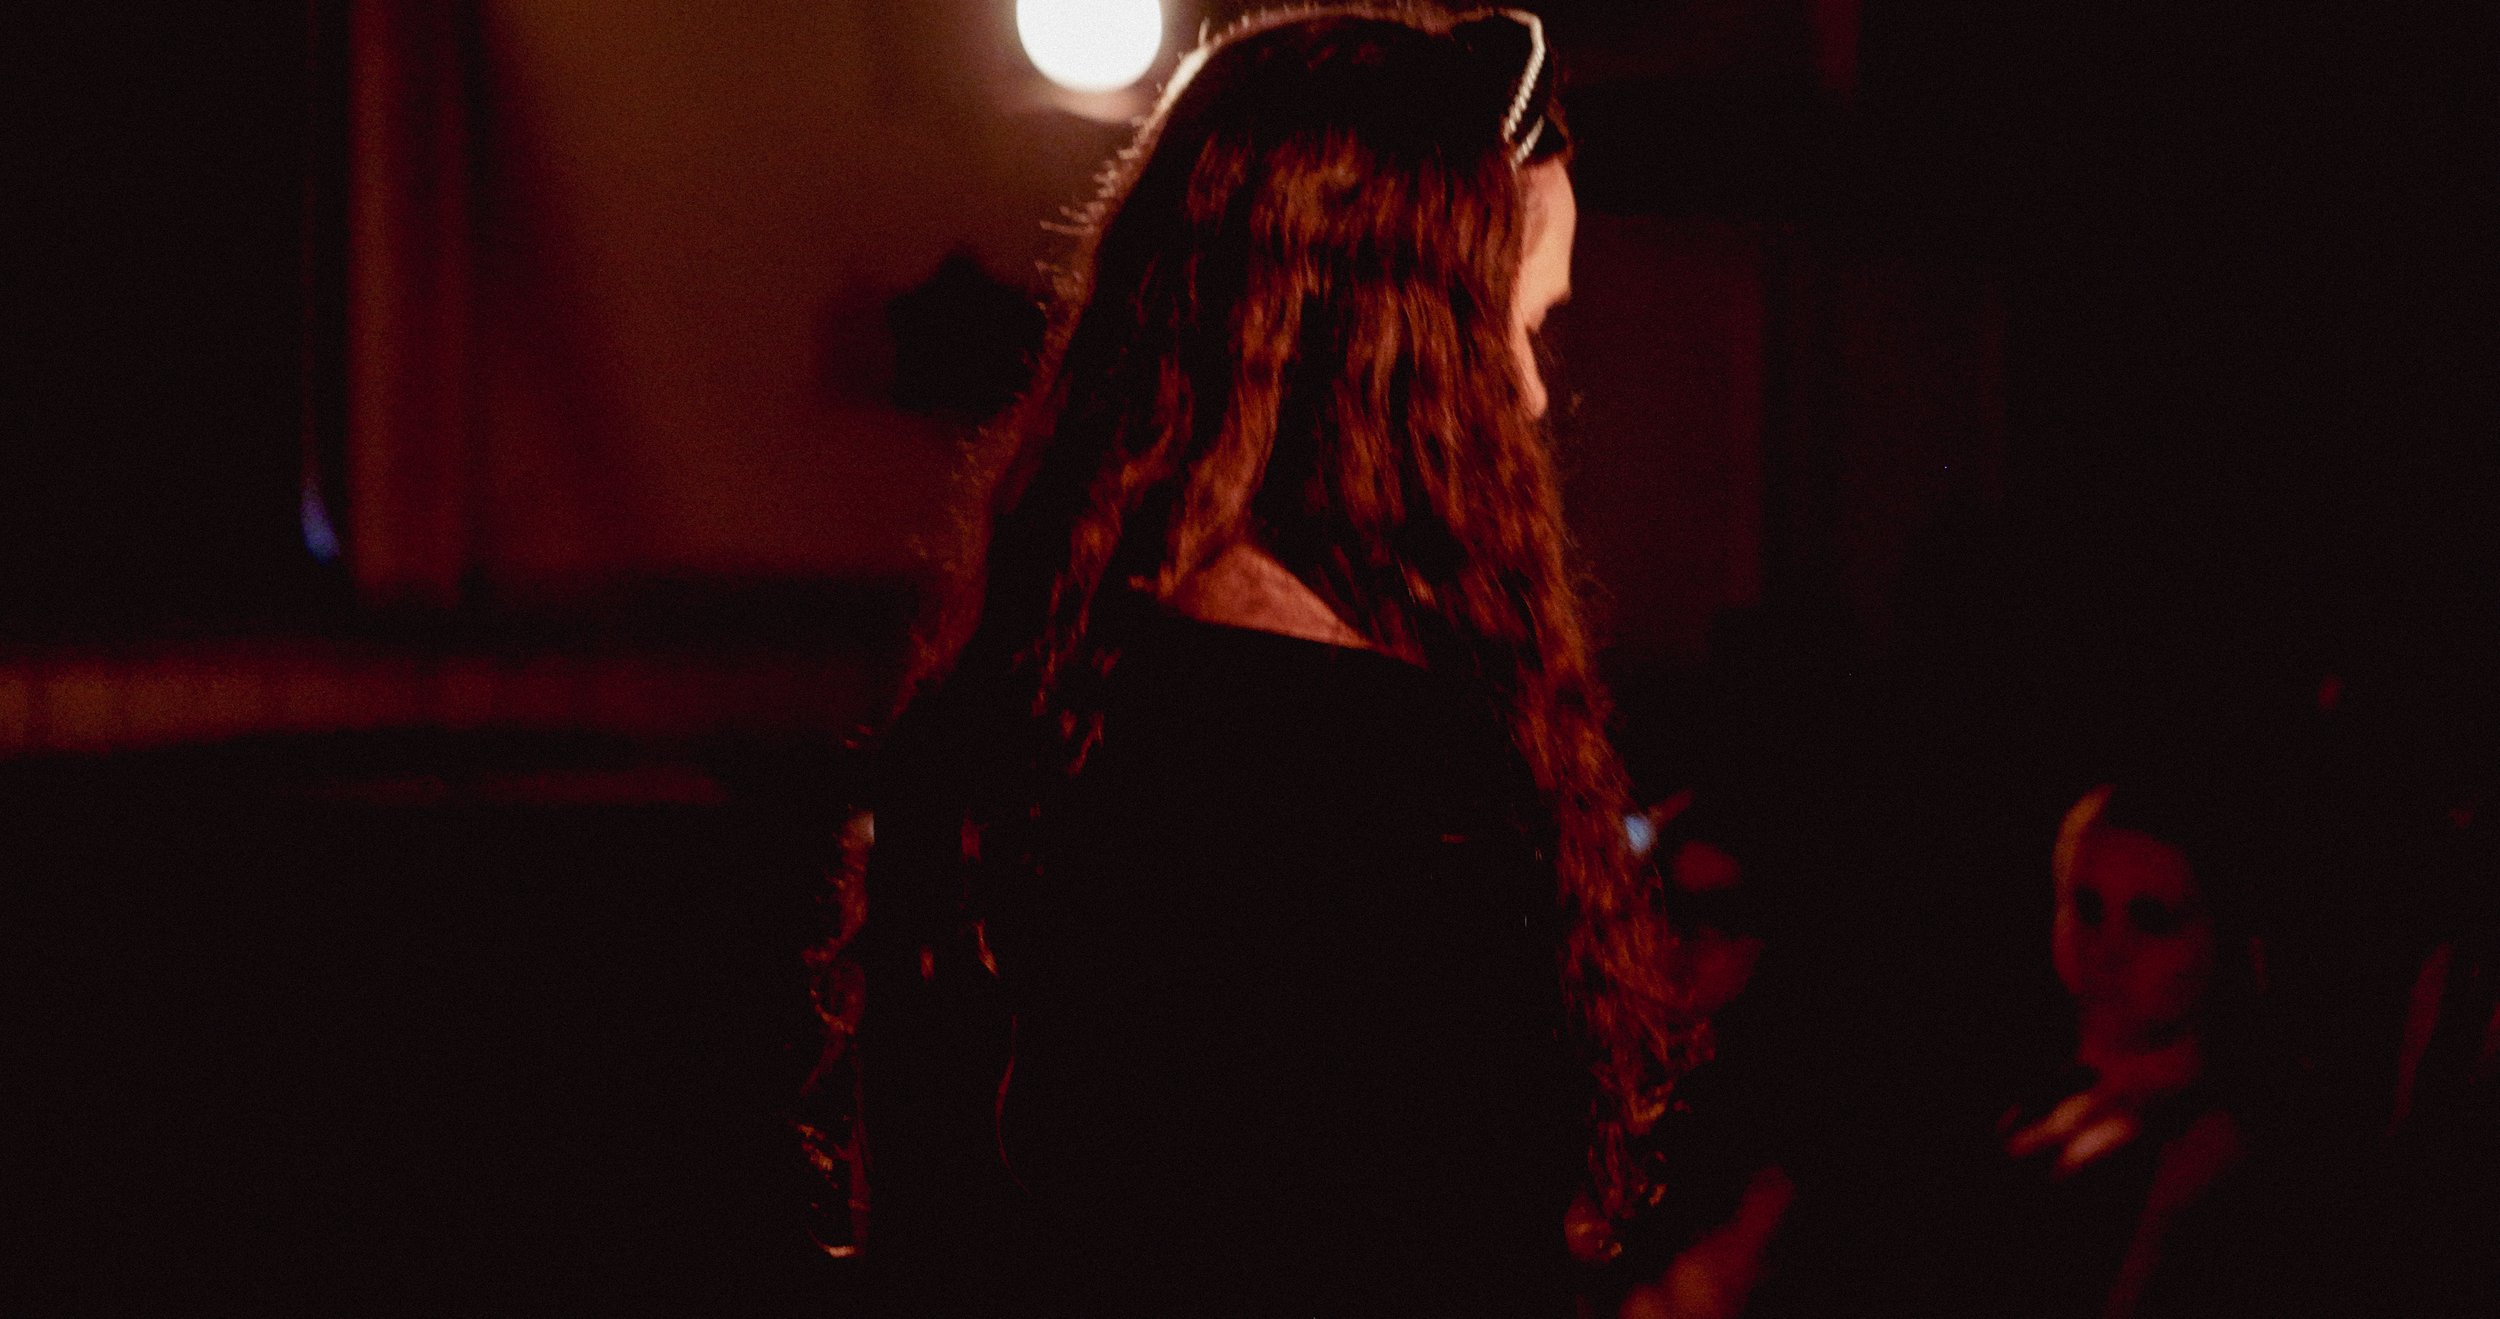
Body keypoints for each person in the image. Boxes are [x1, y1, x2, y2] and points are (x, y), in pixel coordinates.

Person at [837, 7, 1696, 1315]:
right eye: (1514, 327)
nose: (1528, 393)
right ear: (1396, 347)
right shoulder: (1389, 777)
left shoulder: (1012, 712)